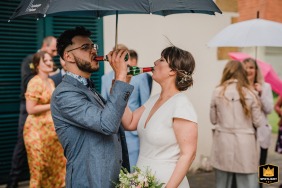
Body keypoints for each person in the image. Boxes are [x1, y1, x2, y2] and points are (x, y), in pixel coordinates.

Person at [51, 26, 133, 187]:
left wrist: (118, 85)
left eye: (93, 46)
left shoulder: (89, 88)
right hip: (88, 181)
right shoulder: (64, 94)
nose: (93, 51)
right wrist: (121, 76)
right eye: (85, 47)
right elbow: (107, 125)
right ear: (68, 56)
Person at [121, 46, 198, 188]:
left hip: (167, 182)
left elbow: (188, 154)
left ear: (173, 71)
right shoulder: (153, 100)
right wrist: (123, 87)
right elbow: (129, 123)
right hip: (142, 179)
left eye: (161, 59)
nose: (155, 62)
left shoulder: (181, 105)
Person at [6, 36, 57, 188]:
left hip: (48, 122)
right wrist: (45, 75)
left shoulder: (51, 78)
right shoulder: (29, 61)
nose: (54, 55)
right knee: (22, 145)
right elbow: (27, 82)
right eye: (53, 50)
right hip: (30, 111)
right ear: (45, 46)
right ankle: (12, 182)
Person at [209, 60, 265, 188]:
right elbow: (258, 122)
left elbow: (213, 120)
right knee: (247, 183)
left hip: (223, 142)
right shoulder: (251, 93)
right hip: (245, 145)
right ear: (242, 73)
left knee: (222, 184)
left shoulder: (217, 92)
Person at [101, 48, 152, 171]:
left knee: (132, 169)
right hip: (112, 130)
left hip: (132, 133)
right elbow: (104, 102)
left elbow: (144, 104)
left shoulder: (140, 77)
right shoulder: (105, 78)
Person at [24, 51, 66, 187]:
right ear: (37, 65)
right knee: (39, 169)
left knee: (56, 169)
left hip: (51, 133)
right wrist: (52, 105)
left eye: (50, 60)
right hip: (36, 132)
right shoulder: (34, 82)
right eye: (45, 60)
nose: (49, 63)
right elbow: (30, 109)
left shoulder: (50, 81)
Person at [242, 58, 273, 167]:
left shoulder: (266, 87)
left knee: (262, 167)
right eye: (245, 67)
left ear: (256, 70)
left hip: (261, 133)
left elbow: (269, 109)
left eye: (251, 67)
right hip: (245, 133)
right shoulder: (240, 88)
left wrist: (261, 93)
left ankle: (260, 184)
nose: (248, 70)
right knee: (247, 167)